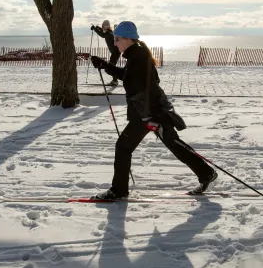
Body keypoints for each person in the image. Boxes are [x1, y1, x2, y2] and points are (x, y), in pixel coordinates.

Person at [90, 21, 217, 200]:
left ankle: (118, 191)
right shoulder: (136, 55)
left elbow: (144, 88)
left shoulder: (138, 58)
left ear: (127, 39)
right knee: (171, 143)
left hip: (149, 114)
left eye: (117, 39)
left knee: (125, 147)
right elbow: (128, 78)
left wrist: (152, 117)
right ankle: (206, 173)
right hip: (147, 113)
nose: (115, 43)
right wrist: (104, 65)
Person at [91, 19, 120, 86]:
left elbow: (102, 35)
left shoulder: (108, 33)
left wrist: (95, 29)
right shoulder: (109, 31)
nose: (104, 27)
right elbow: (103, 32)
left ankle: (115, 81)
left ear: (107, 26)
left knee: (112, 66)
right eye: (104, 25)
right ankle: (115, 81)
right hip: (115, 51)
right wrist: (97, 28)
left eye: (105, 25)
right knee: (112, 66)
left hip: (115, 52)